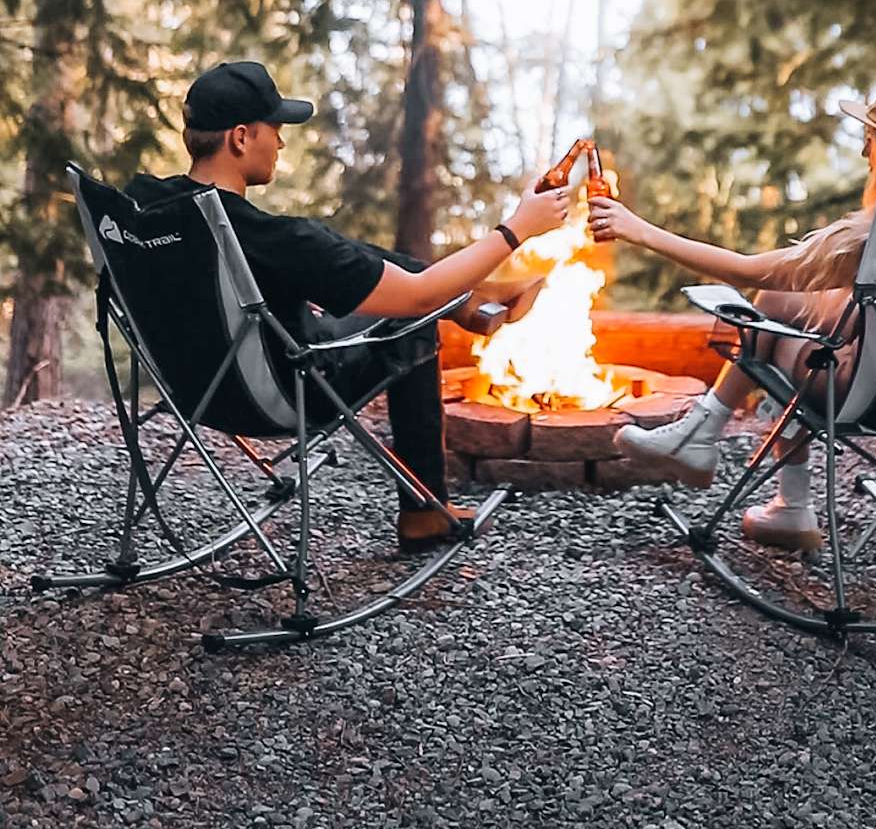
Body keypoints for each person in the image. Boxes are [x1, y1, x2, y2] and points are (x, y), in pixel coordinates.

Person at [126, 60, 569, 552]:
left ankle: (470, 299)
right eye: (276, 128)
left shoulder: (145, 207)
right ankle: (425, 513)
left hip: (192, 388)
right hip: (282, 393)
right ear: (240, 137)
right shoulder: (276, 240)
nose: (282, 141)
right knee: (414, 319)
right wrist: (518, 228)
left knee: (347, 258)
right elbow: (415, 298)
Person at [589, 86, 876, 552]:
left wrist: (641, 231)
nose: (862, 151)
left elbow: (747, 269)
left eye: (869, 140)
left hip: (869, 394)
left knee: (779, 320)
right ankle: (741, 468)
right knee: (783, 300)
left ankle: (761, 480)